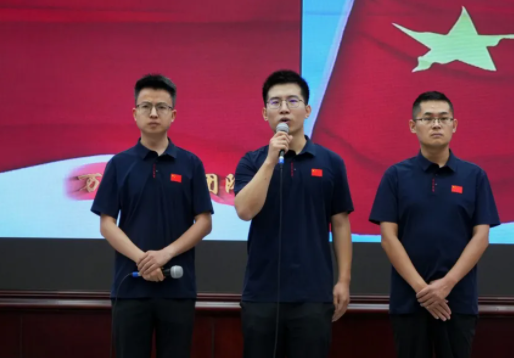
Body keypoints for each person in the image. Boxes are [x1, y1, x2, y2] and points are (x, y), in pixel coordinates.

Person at [369, 91, 500, 358]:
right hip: (410, 300)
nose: (436, 124)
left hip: (456, 301)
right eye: (427, 118)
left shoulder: (474, 176)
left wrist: (446, 284)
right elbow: (388, 238)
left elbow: (481, 237)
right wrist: (423, 290)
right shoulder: (395, 176)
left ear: (454, 124)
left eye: (443, 118)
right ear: (413, 125)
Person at [91, 74, 213, 358]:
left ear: (173, 114)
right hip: (130, 287)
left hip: (178, 288)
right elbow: (107, 224)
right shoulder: (119, 164)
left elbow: (204, 222)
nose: (154, 113)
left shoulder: (191, 164)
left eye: (161, 107)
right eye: (146, 106)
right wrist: (142, 260)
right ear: (135, 113)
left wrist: (165, 254)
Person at [234, 69, 354, 358]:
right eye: (275, 102)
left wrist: (344, 280)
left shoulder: (331, 162)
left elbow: (340, 224)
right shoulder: (252, 161)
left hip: (313, 294)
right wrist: (270, 161)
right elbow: (245, 211)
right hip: (262, 293)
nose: (284, 109)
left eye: (292, 101)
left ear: (307, 110)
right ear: (265, 113)